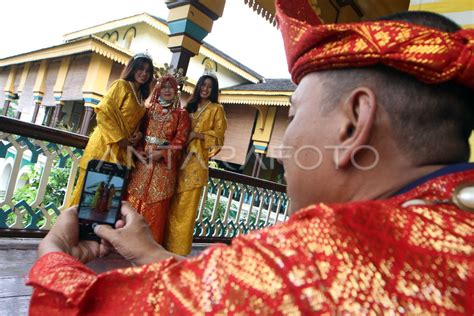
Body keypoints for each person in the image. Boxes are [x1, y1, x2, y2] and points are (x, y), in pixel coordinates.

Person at [27, 4, 474, 315]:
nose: (285, 146)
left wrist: (53, 257)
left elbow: (93, 307)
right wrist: (152, 252)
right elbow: (228, 290)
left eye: (294, 115)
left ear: (354, 122)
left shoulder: (328, 258)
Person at [66, 53, 154, 207]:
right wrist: (120, 139)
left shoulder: (140, 96)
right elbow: (104, 113)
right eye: (141, 69)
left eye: (148, 71)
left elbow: (136, 121)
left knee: (107, 199)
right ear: (132, 69)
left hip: (123, 150)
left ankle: (96, 230)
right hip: (106, 144)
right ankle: (70, 229)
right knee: (88, 193)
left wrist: (138, 134)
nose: (144, 73)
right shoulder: (121, 85)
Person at [164, 73, 227, 255]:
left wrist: (196, 135)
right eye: (203, 85)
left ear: (213, 90)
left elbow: (219, 138)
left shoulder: (217, 109)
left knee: (186, 208)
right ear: (198, 86)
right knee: (170, 203)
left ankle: (177, 251)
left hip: (195, 164)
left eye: (209, 86)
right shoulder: (189, 107)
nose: (205, 89)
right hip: (176, 159)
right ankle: (162, 243)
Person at [126, 74, 190, 244]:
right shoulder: (148, 110)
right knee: (133, 200)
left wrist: (161, 154)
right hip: (143, 162)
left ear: (176, 91)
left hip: (164, 168)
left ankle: (148, 247)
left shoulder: (181, 115)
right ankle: (124, 241)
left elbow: (180, 141)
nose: (167, 90)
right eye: (164, 86)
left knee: (157, 206)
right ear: (158, 89)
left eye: (171, 87)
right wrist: (140, 152)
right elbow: (139, 133)